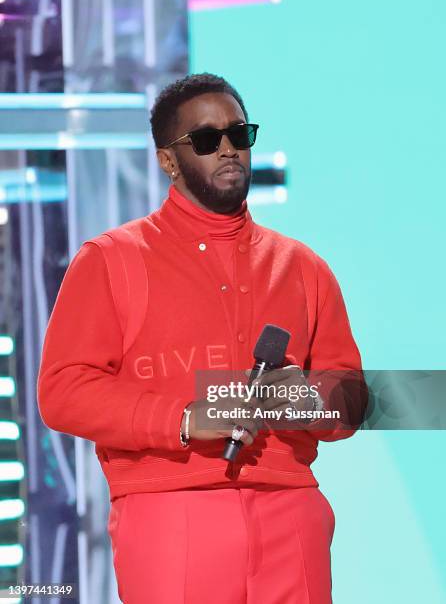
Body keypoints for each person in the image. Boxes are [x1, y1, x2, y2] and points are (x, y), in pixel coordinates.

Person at [37, 73, 367, 604]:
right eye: (208, 140)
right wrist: (184, 419)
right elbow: (64, 391)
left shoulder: (304, 268)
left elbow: (351, 399)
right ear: (168, 159)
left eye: (240, 134)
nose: (229, 149)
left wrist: (307, 399)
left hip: (291, 511)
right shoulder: (110, 260)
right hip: (171, 510)